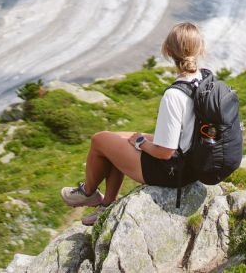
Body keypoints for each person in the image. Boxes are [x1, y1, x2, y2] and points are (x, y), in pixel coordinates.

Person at [59, 21, 204, 225]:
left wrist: (141, 143)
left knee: (99, 140)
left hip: (172, 171)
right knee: (117, 139)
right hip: (190, 163)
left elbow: (165, 152)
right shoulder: (203, 80)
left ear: (168, 50)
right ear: (200, 49)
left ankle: (88, 192)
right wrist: (139, 140)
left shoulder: (174, 95)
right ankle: (107, 205)